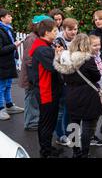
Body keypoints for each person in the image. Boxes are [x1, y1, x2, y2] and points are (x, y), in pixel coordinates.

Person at [53, 34, 102, 158]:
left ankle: (76, 152)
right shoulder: (88, 59)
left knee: (73, 125)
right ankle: (85, 153)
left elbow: (63, 75)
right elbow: (97, 77)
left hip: (71, 94)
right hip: (88, 95)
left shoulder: (65, 58)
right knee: (87, 126)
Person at [29, 19, 64, 158]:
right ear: (47, 32)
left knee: (49, 121)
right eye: (54, 31)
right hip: (46, 91)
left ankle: (47, 148)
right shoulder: (42, 48)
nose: (56, 33)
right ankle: (45, 152)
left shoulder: (44, 45)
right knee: (46, 123)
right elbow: (52, 67)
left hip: (49, 89)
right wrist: (59, 56)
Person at [19, 15, 51, 129]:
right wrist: (33, 78)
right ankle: (31, 122)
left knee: (32, 98)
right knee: (31, 97)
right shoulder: (32, 38)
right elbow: (29, 59)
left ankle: (33, 120)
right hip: (31, 76)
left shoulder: (36, 37)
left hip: (33, 75)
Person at [53, 18, 79, 147]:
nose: (73, 32)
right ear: (64, 29)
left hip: (74, 80)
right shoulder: (58, 41)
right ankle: (60, 135)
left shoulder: (77, 40)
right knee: (61, 108)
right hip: (62, 80)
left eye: (75, 29)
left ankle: (70, 133)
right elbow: (62, 60)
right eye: (70, 29)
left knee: (71, 108)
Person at [0, 9, 24, 121]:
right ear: (2, 18)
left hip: (9, 61)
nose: (11, 18)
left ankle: (9, 105)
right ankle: (0, 108)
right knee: (1, 86)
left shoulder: (8, 29)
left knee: (8, 84)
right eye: (9, 16)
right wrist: (14, 45)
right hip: (2, 63)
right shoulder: (1, 30)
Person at [88, 34, 102, 147]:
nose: (97, 47)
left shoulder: (100, 55)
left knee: (97, 113)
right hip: (92, 90)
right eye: (94, 45)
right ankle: (89, 137)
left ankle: (90, 135)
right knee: (92, 115)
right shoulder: (87, 58)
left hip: (100, 88)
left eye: (99, 44)